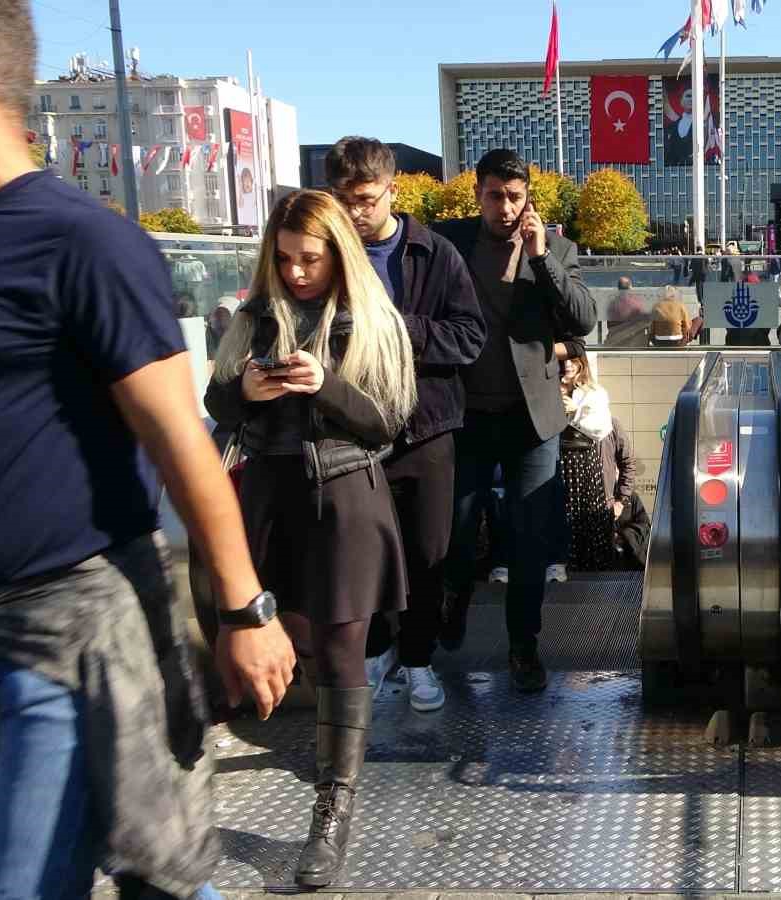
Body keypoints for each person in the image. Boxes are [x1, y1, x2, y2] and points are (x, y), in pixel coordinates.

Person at [0, 2, 295, 896]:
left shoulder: (81, 240)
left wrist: (246, 613)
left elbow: (180, 441)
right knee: (149, 879)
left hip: (71, 643)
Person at [204, 189, 416, 888]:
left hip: (346, 498)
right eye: (286, 258)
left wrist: (324, 384)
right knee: (269, 632)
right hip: (272, 495)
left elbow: (387, 421)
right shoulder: (254, 317)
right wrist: (248, 393)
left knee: (338, 649)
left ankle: (334, 808)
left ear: (338, 256)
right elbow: (215, 401)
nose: (296, 273)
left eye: (311, 260)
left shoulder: (368, 317)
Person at [324, 137, 486, 714]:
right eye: (344, 200)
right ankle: (375, 650)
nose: (355, 212)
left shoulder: (435, 253)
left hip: (426, 429)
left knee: (427, 553)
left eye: (366, 199)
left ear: (393, 189)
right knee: (358, 554)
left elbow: (469, 338)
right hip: (348, 434)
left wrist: (400, 329)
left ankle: (418, 660)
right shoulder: (326, 253)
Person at [435, 149, 596, 693]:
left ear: (529, 199)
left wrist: (543, 257)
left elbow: (582, 320)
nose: (504, 207)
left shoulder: (557, 249)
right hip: (466, 417)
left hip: (532, 423)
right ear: (477, 193)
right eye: (494, 195)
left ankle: (523, 647)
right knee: (455, 531)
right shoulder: (448, 242)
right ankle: (454, 597)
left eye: (514, 197)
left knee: (528, 544)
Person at [555, 352, 636, 572]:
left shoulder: (596, 395)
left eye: (572, 360)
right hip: (562, 477)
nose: (568, 366)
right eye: (562, 362)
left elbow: (626, 459)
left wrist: (621, 500)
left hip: (595, 486)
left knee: (594, 541)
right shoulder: (549, 392)